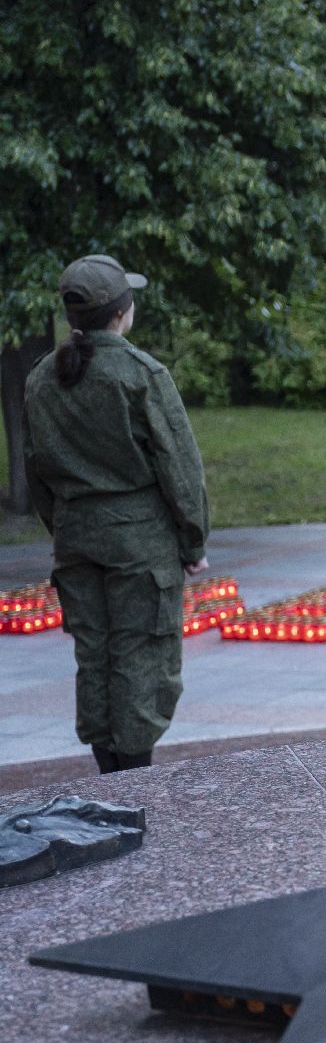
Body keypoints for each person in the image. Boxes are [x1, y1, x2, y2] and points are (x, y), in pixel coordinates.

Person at [24, 255, 210, 774]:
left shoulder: (42, 378)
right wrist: (193, 543)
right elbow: (180, 467)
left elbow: (35, 471)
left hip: (76, 539)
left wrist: (64, 529)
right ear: (122, 312)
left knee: (95, 656)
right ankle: (134, 781)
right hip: (139, 543)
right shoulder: (140, 373)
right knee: (141, 657)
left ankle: (111, 779)